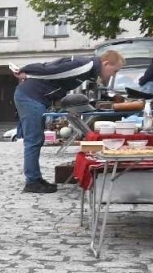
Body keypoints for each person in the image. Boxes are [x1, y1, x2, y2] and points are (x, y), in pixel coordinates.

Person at [13, 49, 124, 194]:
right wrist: (26, 71)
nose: (114, 75)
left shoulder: (87, 68)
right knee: (34, 140)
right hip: (30, 97)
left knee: (36, 140)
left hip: (32, 97)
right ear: (106, 63)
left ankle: (35, 178)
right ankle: (32, 182)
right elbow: (52, 70)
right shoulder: (86, 66)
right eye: (114, 71)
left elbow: (57, 65)